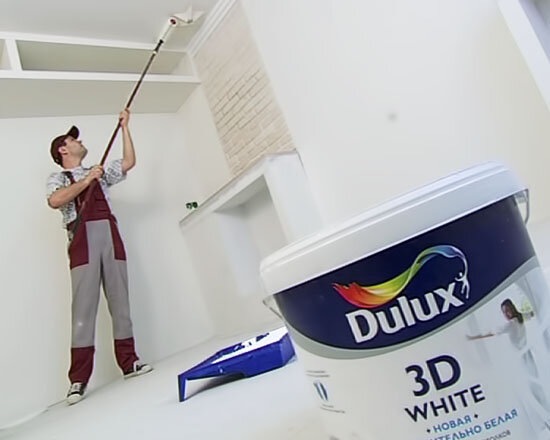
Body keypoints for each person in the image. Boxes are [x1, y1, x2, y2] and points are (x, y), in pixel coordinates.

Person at [46, 109, 152, 405]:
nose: (79, 142)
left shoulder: (100, 172)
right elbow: (55, 200)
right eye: (73, 140)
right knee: (83, 310)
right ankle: (78, 379)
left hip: (110, 236)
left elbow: (129, 162)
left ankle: (129, 363)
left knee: (120, 302)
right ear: (63, 149)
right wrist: (86, 180)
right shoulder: (59, 177)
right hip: (83, 243)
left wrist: (125, 127)